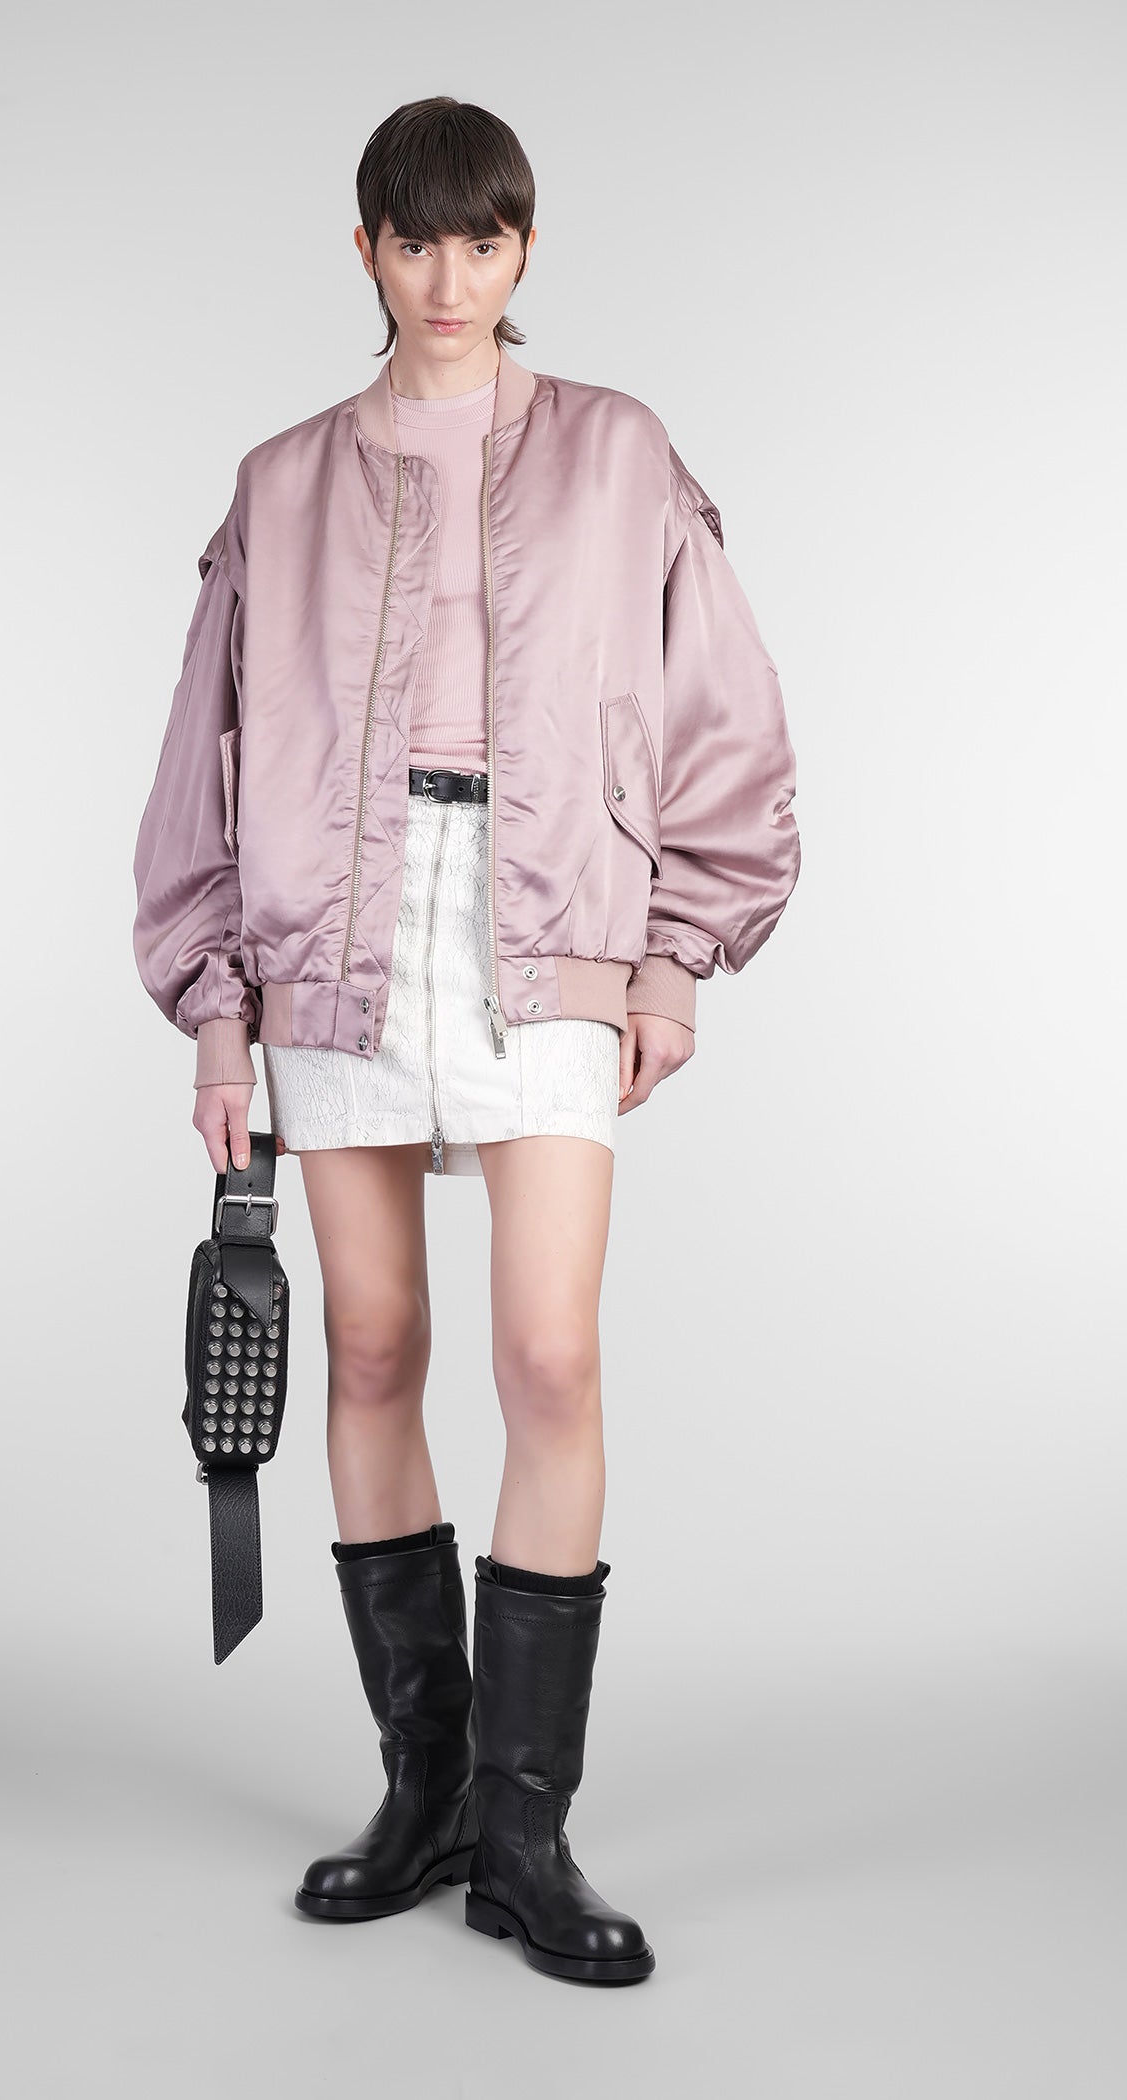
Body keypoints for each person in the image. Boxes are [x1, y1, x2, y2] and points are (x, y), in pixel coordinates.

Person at [132, 96, 800, 1986]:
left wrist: (674, 961)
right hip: (334, 928)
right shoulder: (280, 480)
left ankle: (526, 1827)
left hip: (549, 911)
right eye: (414, 241)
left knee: (550, 1355)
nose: (449, 277)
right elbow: (205, 756)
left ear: (526, 249)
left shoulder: (620, 451)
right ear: (365, 251)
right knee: (369, 1345)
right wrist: (215, 1017)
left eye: (482, 242)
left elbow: (722, 718)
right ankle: (422, 1790)